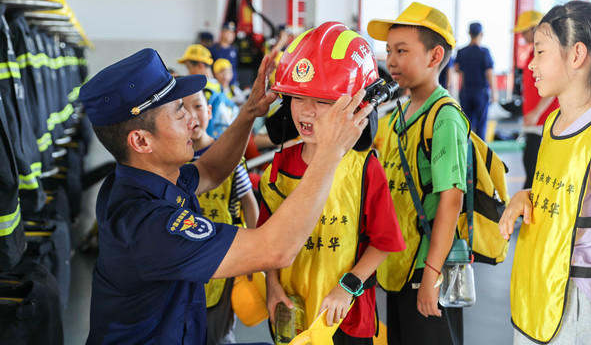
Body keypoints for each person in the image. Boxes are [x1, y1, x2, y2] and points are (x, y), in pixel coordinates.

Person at [78, 47, 374, 345]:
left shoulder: (144, 177)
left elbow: (211, 168)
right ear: (141, 141)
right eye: (179, 112)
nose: (193, 121)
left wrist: (250, 113)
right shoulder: (147, 225)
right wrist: (330, 153)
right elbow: (277, 249)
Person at [258, 22, 405, 345]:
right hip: (292, 311)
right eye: (298, 98)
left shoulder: (364, 168)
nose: (307, 112)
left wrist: (348, 286)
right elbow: (265, 240)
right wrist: (272, 285)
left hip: (343, 318)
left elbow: (384, 240)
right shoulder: (281, 164)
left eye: (323, 102)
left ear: (357, 106)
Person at [367, 2, 470, 345]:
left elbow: (451, 200)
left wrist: (432, 276)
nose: (391, 60)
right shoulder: (399, 114)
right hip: (398, 265)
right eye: (388, 51)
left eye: (402, 50)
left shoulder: (444, 118)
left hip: (425, 268)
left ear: (434, 55)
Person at [499, 0, 591, 344]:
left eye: (540, 52)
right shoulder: (554, 123)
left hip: (574, 305)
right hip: (537, 291)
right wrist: (526, 196)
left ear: (576, 55)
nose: (530, 64)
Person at [182, 88, 258, 344]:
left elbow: (249, 204)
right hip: (184, 263)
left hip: (224, 260)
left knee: (219, 333)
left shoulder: (229, 157)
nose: (191, 116)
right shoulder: (172, 162)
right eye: (181, 109)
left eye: (198, 107)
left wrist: (254, 255)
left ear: (210, 111)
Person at [513, 10, 560, 189]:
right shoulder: (534, 53)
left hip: (543, 121)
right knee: (531, 166)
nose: (523, 36)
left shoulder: (546, 53)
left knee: (534, 169)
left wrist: (536, 112)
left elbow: (554, 85)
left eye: (525, 31)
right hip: (535, 122)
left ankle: (529, 212)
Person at [454, 22, 498, 140]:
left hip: (466, 91)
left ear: (469, 33)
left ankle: (466, 151)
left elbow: (457, 69)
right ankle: (480, 154)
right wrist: (495, 93)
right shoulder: (484, 52)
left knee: (466, 124)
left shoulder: (462, 52)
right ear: (482, 34)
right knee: (481, 124)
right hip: (481, 92)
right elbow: (489, 73)